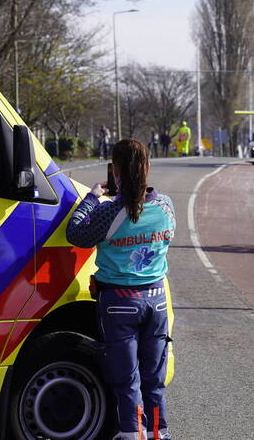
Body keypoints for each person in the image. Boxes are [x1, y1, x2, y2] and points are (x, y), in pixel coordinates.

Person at [66, 140, 175, 440]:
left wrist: (91, 198)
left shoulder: (109, 211)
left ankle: (131, 433)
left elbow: (76, 233)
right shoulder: (166, 206)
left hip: (119, 303)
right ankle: (158, 434)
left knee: (128, 381)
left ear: (115, 171)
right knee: (154, 380)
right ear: (147, 168)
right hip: (157, 301)